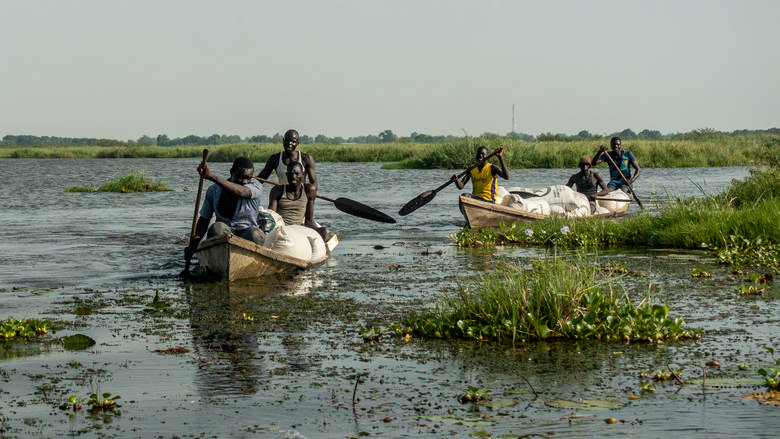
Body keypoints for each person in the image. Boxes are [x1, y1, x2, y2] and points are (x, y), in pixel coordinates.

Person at [186, 157, 264, 259]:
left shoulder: (256, 185)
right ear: (231, 172)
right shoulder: (213, 190)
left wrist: (211, 176)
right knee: (216, 228)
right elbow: (204, 219)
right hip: (225, 233)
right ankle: (219, 260)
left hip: (247, 232)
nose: (245, 181)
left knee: (255, 235)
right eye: (240, 177)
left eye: (248, 178)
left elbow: (242, 192)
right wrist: (194, 242)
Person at [268, 162, 331, 240]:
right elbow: (271, 217)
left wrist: (321, 231)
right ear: (286, 175)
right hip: (282, 228)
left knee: (325, 232)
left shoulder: (309, 190)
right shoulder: (277, 190)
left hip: (300, 228)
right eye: (290, 174)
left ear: (303, 174)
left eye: (297, 174)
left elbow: (309, 220)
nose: (293, 177)